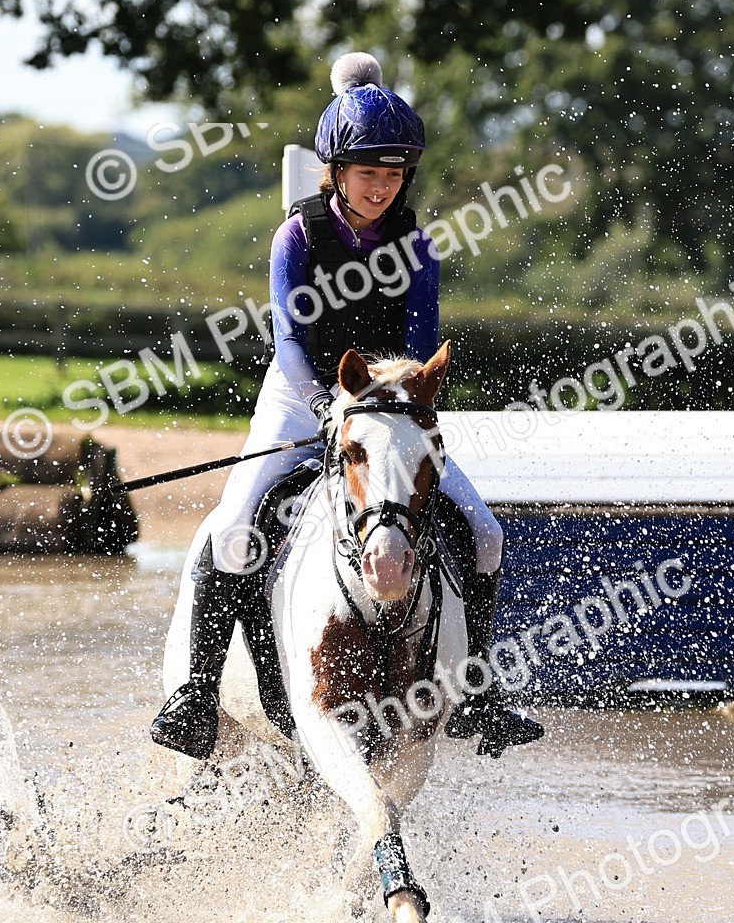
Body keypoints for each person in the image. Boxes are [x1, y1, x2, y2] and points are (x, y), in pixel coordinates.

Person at [151, 51, 542, 761]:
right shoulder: (297, 235)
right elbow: (292, 338)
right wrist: (329, 408)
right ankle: (194, 696)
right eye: (369, 174)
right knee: (236, 525)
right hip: (302, 398)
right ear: (335, 170)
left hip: (389, 410)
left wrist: (397, 402)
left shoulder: (416, 245)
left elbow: (421, 349)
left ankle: (479, 694)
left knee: (483, 534)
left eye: (393, 176)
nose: (382, 188)